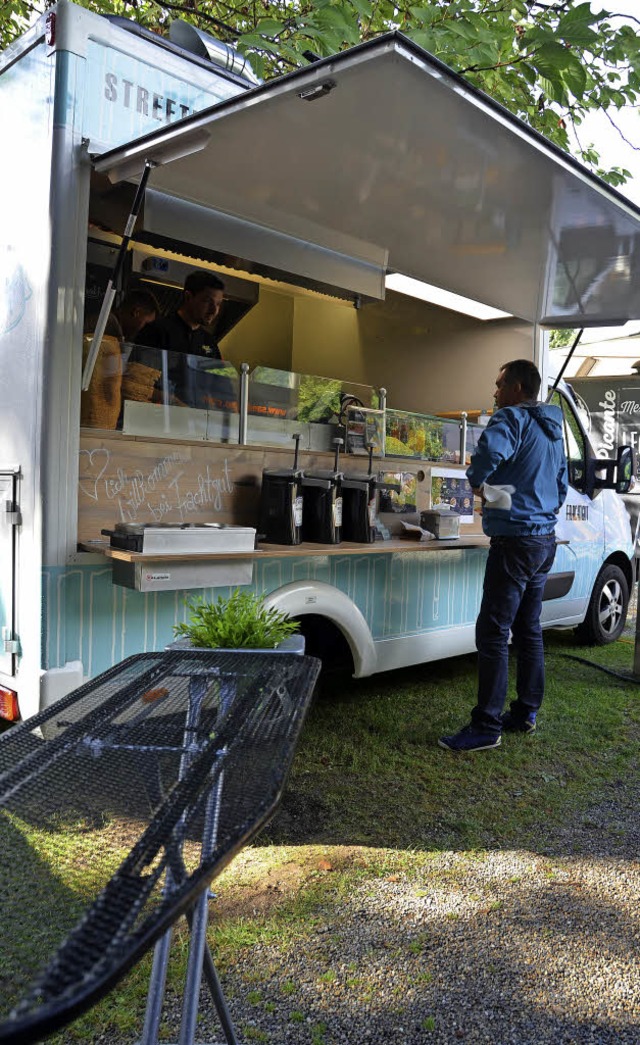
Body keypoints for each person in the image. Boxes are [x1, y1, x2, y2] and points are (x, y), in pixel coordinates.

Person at [439, 359, 568, 753]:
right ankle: (526, 712)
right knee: (529, 629)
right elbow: (561, 486)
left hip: (514, 543)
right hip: (545, 539)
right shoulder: (552, 429)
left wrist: (479, 482)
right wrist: (530, 505)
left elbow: (486, 459)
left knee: (493, 632)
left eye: (499, 385)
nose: (494, 393)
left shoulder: (510, 418)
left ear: (516, 388)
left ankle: (486, 726)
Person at [132, 270, 227, 406]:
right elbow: (137, 383)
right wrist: (173, 402)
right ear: (188, 297)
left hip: (194, 421)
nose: (214, 310)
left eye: (218, 304)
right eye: (207, 301)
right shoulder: (157, 331)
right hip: (157, 418)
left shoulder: (209, 342)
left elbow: (220, 388)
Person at [81, 288, 158, 429]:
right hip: (92, 418)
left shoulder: (113, 331)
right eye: (145, 323)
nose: (144, 330)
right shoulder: (105, 329)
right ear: (136, 312)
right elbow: (106, 381)